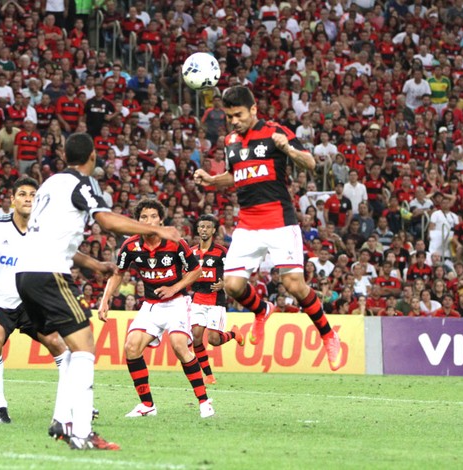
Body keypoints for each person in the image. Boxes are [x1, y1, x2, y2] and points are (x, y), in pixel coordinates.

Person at [15, 133, 180, 450]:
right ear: (92, 156)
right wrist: (156, 228)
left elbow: (51, 236)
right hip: (49, 273)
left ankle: (62, 421)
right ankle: (82, 431)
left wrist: (94, 265)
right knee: (85, 345)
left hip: (26, 274)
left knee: (70, 348)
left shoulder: (49, 185)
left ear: (65, 156)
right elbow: (107, 221)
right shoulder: (82, 183)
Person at [193, 86, 343, 371]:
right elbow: (235, 175)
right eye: (229, 116)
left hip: (279, 220)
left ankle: (328, 334)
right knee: (233, 285)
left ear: (253, 110)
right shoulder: (230, 141)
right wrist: (212, 181)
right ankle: (262, 309)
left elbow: (310, 163)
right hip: (247, 223)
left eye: (238, 115)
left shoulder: (276, 132)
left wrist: (286, 148)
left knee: (294, 285)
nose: (234, 121)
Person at [98, 199, 214, 419]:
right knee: (131, 347)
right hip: (150, 305)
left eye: (153, 216)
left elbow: (196, 271)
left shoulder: (176, 243)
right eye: (143, 217)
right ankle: (147, 405)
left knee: (179, 346)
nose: (148, 220)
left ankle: (204, 401)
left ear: (161, 219)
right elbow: (118, 273)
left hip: (177, 303)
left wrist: (174, 288)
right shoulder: (131, 245)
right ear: (137, 221)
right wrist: (105, 300)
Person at [0, 177, 65, 425]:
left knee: (59, 344)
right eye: (22, 194)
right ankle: (0, 405)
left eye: (32, 195)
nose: (28, 198)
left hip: (33, 303)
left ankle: (74, 401)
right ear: (12, 200)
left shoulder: (45, 230)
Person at [190, 215, 244, 385]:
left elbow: (232, 271)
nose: (204, 230)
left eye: (207, 227)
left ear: (213, 230)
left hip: (215, 301)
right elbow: (185, 272)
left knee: (213, 340)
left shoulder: (221, 252)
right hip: (198, 299)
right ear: (198, 230)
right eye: (201, 227)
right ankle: (209, 375)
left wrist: (224, 283)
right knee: (196, 338)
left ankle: (234, 333)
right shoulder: (191, 252)